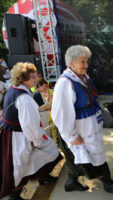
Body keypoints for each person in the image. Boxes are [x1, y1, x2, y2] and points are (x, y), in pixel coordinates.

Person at [51, 45, 113, 194]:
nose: (86, 65)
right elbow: (60, 114)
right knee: (91, 159)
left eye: (86, 61)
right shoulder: (65, 83)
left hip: (91, 126)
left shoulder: (83, 77)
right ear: (71, 63)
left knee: (82, 158)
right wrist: (72, 136)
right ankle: (108, 183)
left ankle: (71, 182)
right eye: (82, 62)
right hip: (80, 130)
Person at [0, 62, 62, 200]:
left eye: (35, 75)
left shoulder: (13, 89)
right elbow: (29, 125)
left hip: (11, 133)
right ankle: (14, 197)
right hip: (18, 137)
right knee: (20, 167)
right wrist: (36, 140)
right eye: (32, 77)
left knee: (42, 154)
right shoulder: (24, 99)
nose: (36, 79)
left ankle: (43, 176)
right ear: (23, 79)